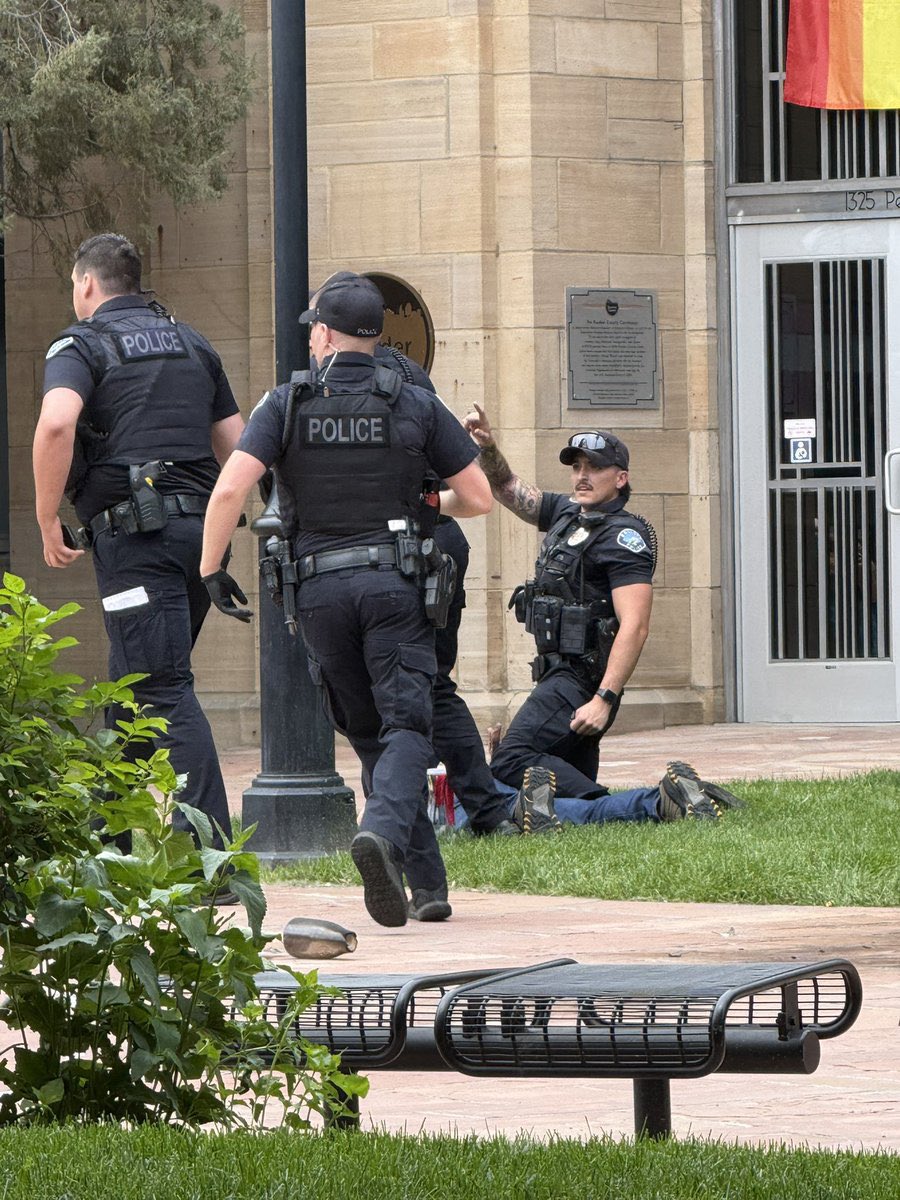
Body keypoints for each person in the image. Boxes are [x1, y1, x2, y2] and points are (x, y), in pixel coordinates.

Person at [198, 274, 492, 928]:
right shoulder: (414, 402)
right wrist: (427, 504)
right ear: (375, 337)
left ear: (325, 334)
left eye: (313, 327)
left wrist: (210, 567)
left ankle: (427, 883)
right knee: (408, 728)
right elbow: (478, 497)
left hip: (318, 594)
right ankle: (383, 835)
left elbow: (229, 492)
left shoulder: (285, 403)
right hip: (394, 587)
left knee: (370, 735)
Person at [32, 232, 245, 865]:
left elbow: (56, 423)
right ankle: (106, 844)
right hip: (199, 541)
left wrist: (47, 519)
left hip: (137, 539)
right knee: (136, 683)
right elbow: (237, 444)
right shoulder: (193, 342)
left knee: (163, 685)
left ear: (88, 284)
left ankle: (213, 859)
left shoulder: (80, 344)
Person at [305, 274, 513, 845]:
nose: (311, 342)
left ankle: (445, 814)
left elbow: (466, 488)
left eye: (316, 329)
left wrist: (420, 504)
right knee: (419, 688)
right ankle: (432, 816)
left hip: (412, 548)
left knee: (416, 693)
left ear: (330, 333)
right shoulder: (405, 379)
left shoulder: (326, 392)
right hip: (422, 545)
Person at [464, 405, 665, 802]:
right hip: (556, 672)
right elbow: (507, 487)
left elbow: (636, 625)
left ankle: (638, 807)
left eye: (594, 468)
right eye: (576, 467)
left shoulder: (624, 539)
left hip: (583, 680)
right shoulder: (566, 513)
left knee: (510, 760)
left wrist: (604, 699)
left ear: (621, 478)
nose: (582, 476)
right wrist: (487, 446)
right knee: (565, 793)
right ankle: (621, 809)